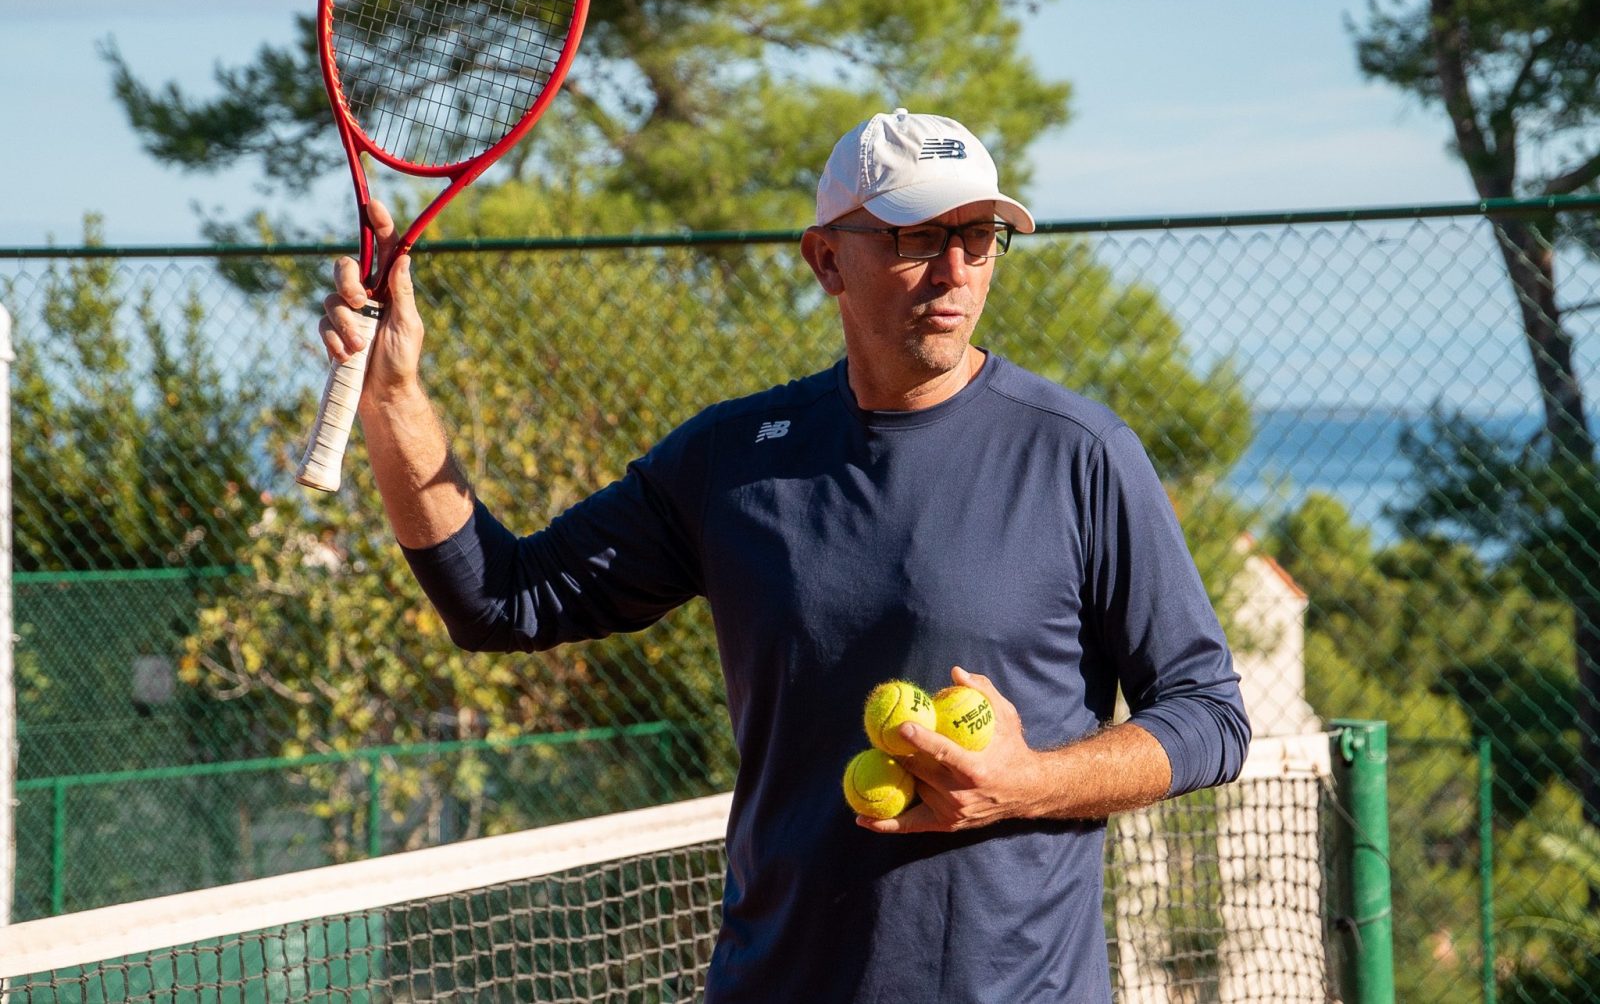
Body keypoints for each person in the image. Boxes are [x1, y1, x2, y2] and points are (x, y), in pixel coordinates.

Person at [320, 107, 1251, 1002]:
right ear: (826, 260)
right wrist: (394, 395)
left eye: (979, 238)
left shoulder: (1080, 455)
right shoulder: (733, 460)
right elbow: (501, 600)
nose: (955, 271)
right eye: (917, 237)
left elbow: (1210, 716)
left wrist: (1028, 786)